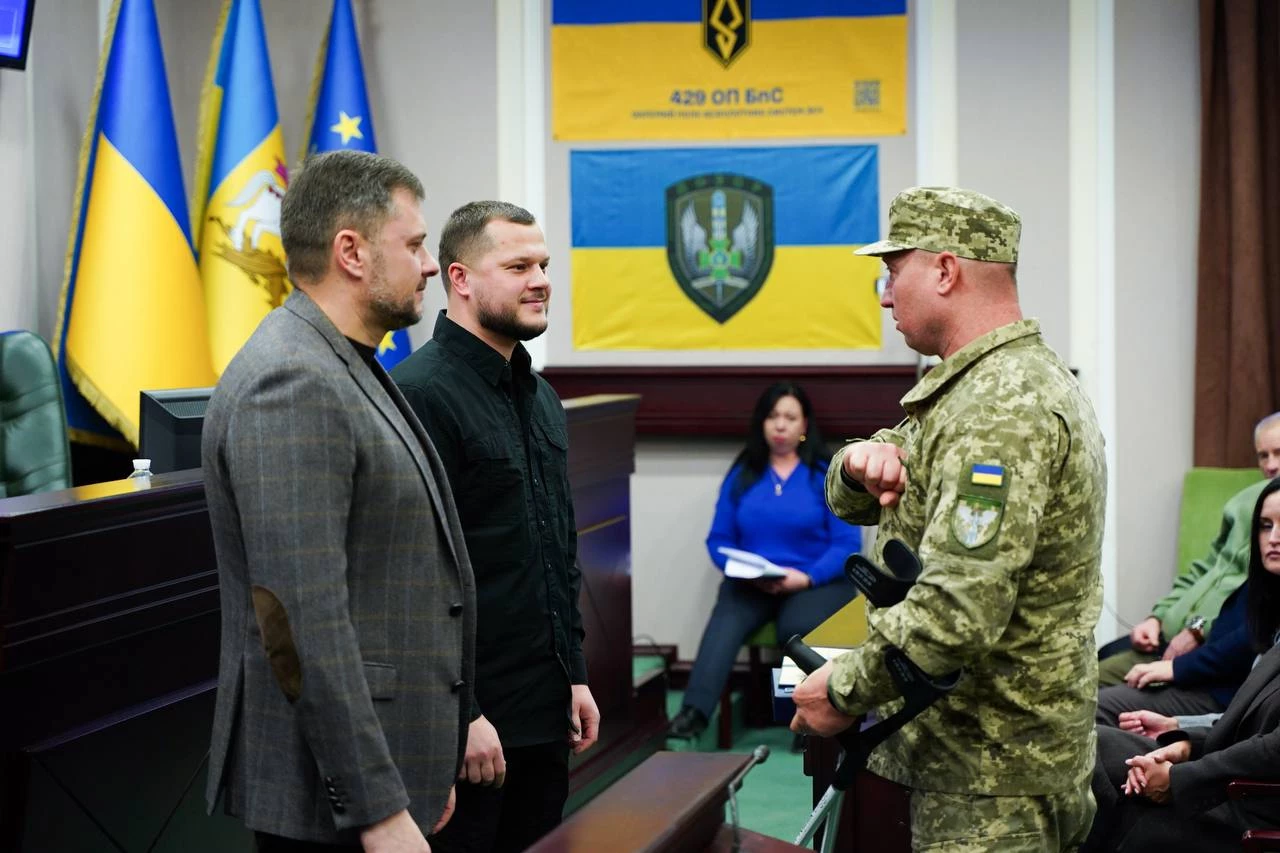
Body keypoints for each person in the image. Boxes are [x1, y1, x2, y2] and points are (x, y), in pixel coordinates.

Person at [788, 186, 1106, 851]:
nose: (884, 295)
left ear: (944, 271)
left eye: (892, 271)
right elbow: (867, 481)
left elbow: (959, 609)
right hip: (985, 762)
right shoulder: (980, 386)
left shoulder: (999, 406)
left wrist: (840, 690)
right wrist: (857, 465)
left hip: (992, 776)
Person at [203, 150, 475, 853]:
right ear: (351, 252)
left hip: (386, 760)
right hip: (330, 800)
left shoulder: (345, 359)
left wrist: (426, 755)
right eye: (414, 245)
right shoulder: (293, 379)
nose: (428, 265)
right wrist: (376, 805)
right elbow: (301, 618)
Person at [391, 201, 599, 853]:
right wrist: (462, 714)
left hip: (544, 709)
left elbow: (557, 549)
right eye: (518, 267)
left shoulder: (540, 396)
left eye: (544, 265)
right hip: (469, 724)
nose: (540, 281)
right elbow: (411, 578)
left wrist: (574, 673)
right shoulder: (419, 393)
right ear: (459, 278)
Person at [1084, 476, 1280, 852]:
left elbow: (1272, 749)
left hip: (1254, 805)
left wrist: (1180, 778)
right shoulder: (1265, 608)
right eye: (1264, 525)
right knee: (1094, 743)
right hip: (1227, 767)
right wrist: (1183, 740)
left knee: (1120, 793)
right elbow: (1250, 726)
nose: (1273, 538)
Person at [667, 382, 861, 740]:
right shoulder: (743, 473)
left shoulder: (824, 473)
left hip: (814, 582)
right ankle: (694, 713)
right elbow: (719, 540)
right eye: (773, 416)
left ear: (805, 425)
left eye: (790, 417)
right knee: (726, 622)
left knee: (796, 628)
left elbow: (847, 544)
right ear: (762, 423)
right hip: (753, 583)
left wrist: (806, 577)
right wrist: (748, 573)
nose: (780, 425)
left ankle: (808, 723)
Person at [1097, 414, 1280, 685]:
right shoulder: (1242, 501)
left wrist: (1198, 629)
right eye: (1263, 456)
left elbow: (1257, 605)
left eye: (1278, 453)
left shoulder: (1271, 552)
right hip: (1172, 629)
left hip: (1209, 644)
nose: (1271, 465)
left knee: (1094, 680)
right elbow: (1204, 568)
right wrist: (1157, 616)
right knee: (1103, 654)